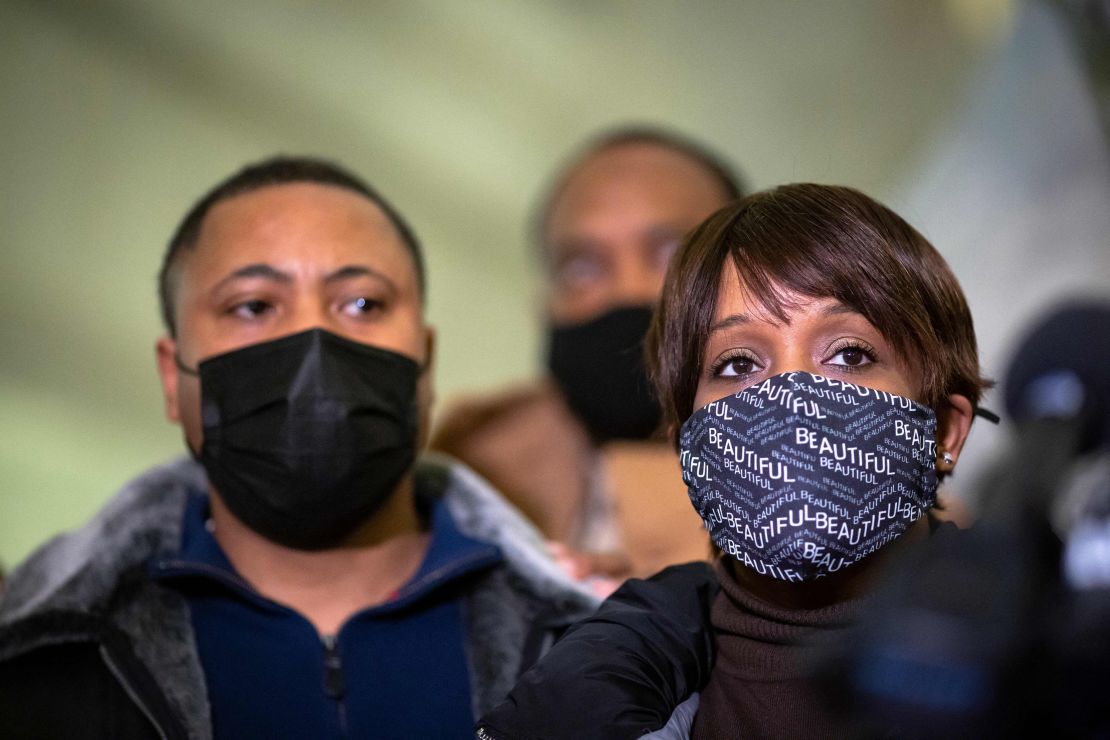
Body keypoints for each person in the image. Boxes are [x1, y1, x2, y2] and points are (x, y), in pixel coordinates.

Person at [0, 157, 596, 739]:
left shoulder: (587, 653)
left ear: (426, 361)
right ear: (171, 379)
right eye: (253, 306)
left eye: (362, 304)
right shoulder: (41, 660)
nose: (314, 345)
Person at [477, 183, 994, 739]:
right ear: (689, 449)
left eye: (849, 354)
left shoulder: (1058, 653)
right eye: (738, 364)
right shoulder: (596, 685)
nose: (793, 397)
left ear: (944, 429)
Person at [432, 127, 745, 583]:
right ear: (545, 306)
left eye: (672, 253)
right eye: (583, 268)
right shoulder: (472, 472)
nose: (629, 290)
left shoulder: (851, 470)